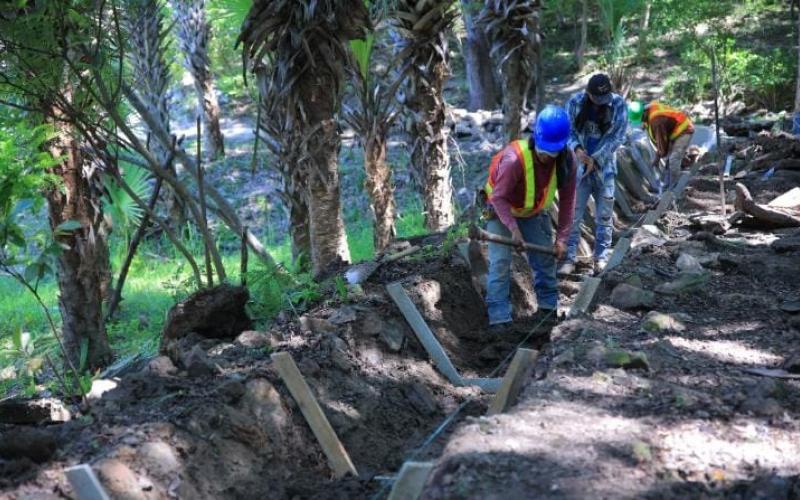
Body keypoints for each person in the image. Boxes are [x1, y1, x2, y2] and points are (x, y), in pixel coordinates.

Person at [483, 105, 577, 327]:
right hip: (501, 210)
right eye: (544, 152)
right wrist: (513, 230)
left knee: (545, 260)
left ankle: (547, 312)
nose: (547, 157)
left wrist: (562, 239)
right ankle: (499, 319)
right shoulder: (514, 159)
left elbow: (568, 202)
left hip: (532, 212)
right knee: (500, 262)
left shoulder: (567, 161)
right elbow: (498, 198)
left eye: (553, 153)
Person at [559, 74, 628, 276]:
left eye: (604, 98)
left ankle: (601, 258)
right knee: (573, 215)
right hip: (578, 168)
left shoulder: (618, 105)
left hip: (605, 169)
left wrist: (595, 159)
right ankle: (569, 258)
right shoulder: (575, 102)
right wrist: (578, 150)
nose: (600, 102)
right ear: (588, 93)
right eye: (596, 98)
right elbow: (567, 130)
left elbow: (618, 136)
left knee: (604, 216)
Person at [638, 100, 695, 191]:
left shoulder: (657, 122)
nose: (641, 121)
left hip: (684, 130)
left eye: (641, 119)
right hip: (674, 130)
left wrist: (657, 158)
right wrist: (645, 124)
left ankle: (674, 188)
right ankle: (667, 183)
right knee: (671, 159)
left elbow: (663, 146)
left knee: (673, 159)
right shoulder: (649, 110)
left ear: (644, 113)